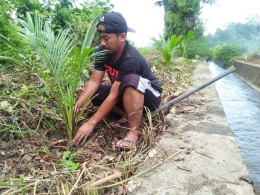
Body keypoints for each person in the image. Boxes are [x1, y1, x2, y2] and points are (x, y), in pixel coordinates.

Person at [73, 11, 162, 150]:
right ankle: (126, 114)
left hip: (149, 97)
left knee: (131, 80)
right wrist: (77, 106)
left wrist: (91, 123)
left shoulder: (131, 58)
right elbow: (94, 82)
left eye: (106, 38)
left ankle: (134, 131)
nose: (102, 43)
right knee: (97, 92)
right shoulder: (102, 52)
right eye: (100, 38)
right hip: (125, 93)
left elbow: (113, 96)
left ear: (122, 36)